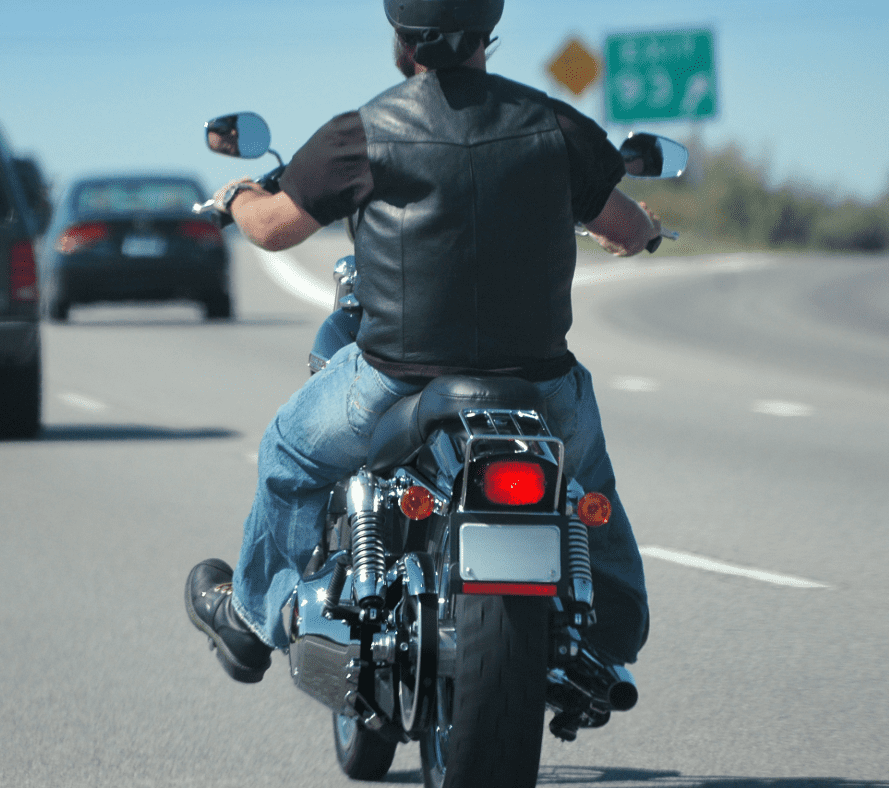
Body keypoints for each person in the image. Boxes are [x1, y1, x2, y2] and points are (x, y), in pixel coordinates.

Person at [186, 0, 663, 692]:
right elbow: (623, 229)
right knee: (589, 488)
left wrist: (235, 197)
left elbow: (271, 229)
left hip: (394, 381)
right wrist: (646, 230)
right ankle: (609, 626)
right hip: (537, 383)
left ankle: (258, 617)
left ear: (399, 36)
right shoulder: (559, 127)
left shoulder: (361, 133)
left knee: (287, 456)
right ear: (488, 34)